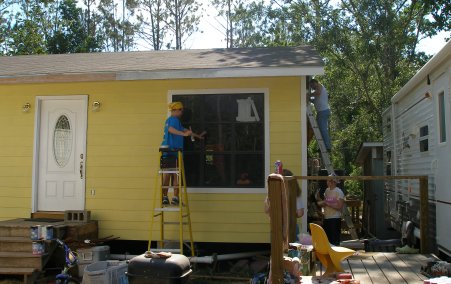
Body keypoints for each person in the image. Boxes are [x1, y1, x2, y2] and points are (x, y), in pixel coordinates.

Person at [161, 102, 204, 205]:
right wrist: (184, 134)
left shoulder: (173, 121)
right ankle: (175, 198)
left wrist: (197, 136)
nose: (182, 112)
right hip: (174, 151)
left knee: (168, 174)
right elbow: (171, 130)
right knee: (176, 175)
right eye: (181, 110)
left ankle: (165, 197)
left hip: (168, 151)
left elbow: (185, 130)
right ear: (175, 110)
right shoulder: (173, 120)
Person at [317, 173, 344, 246]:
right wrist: (319, 200)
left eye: (328, 181)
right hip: (327, 217)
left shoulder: (339, 192)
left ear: (333, 182)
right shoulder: (327, 190)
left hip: (335, 218)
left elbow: (339, 206)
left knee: (334, 241)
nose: (327, 182)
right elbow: (326, 201)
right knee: (328, 240)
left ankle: (336, 256)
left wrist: (327, 204)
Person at [310, 78, 331, 152]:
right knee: (320, 130)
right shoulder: (317, 90)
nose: (312, 88)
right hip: (321, 112)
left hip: (323, 111)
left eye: (312, 85)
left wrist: (309, 94)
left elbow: (318, 93)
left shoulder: (319, 86)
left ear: (315, 83)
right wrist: (309, 99)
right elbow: (315, 100)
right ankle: (323, 146)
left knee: (323, 129)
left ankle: (327, 146)